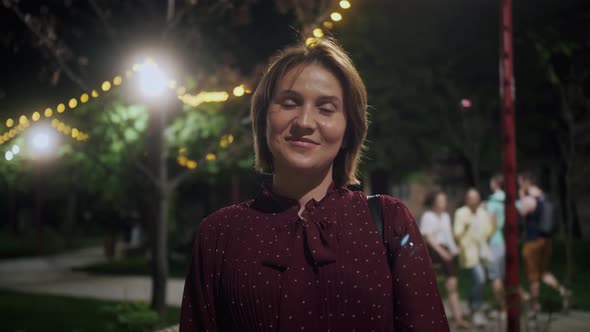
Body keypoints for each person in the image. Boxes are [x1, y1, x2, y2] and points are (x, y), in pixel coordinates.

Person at [179, 38, 449, 331]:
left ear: (349, 130)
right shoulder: (218, 234)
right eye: (290, 103)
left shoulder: (390, 222)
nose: (305, 121)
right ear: (263, 119)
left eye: (326, 108)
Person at [518, 171, 571, 314]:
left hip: (532, 241)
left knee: (533, 277)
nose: (519, 185)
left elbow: (520, 213)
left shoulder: (530, 199)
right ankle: (563, 291)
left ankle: (535, 306)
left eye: (520, 183)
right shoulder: (545, 197)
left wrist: (522, 195)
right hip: (546, 239)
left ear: (526, 183)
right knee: (544, 272)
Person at [420, 191, 470, 329]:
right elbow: (429, 239)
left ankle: (458, 319)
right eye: (441, 200)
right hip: (434, 253)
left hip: (445, 253)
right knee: (435, 287)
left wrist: (454, 250)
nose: (444, 203)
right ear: (434, 202)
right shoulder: (427, 216)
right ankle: (432, 319)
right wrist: (442, 252)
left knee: (453, 284)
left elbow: (448, 236)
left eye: (444, 200)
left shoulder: (446, 216)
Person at [453, 188, 493, 327]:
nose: (474, 201)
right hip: (469, 254)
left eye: (476, 198)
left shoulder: (483, 213)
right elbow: (457, 234)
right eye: (471, 198)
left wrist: (492, 223)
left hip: (482, 252)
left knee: (480, 281)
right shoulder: (461, 213)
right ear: (467, 200)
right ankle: (476, 311)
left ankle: (472, 305)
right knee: (480, 279)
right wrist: (466, 225)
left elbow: (488, 232)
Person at [486, 174, 506, 317]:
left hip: (493, 242)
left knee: (495, 277)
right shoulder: (507, 199)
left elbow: (490, 223)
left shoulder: (492, 202)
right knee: (502, 275)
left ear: (495, 184)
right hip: (502, 240)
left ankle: (502, 308)